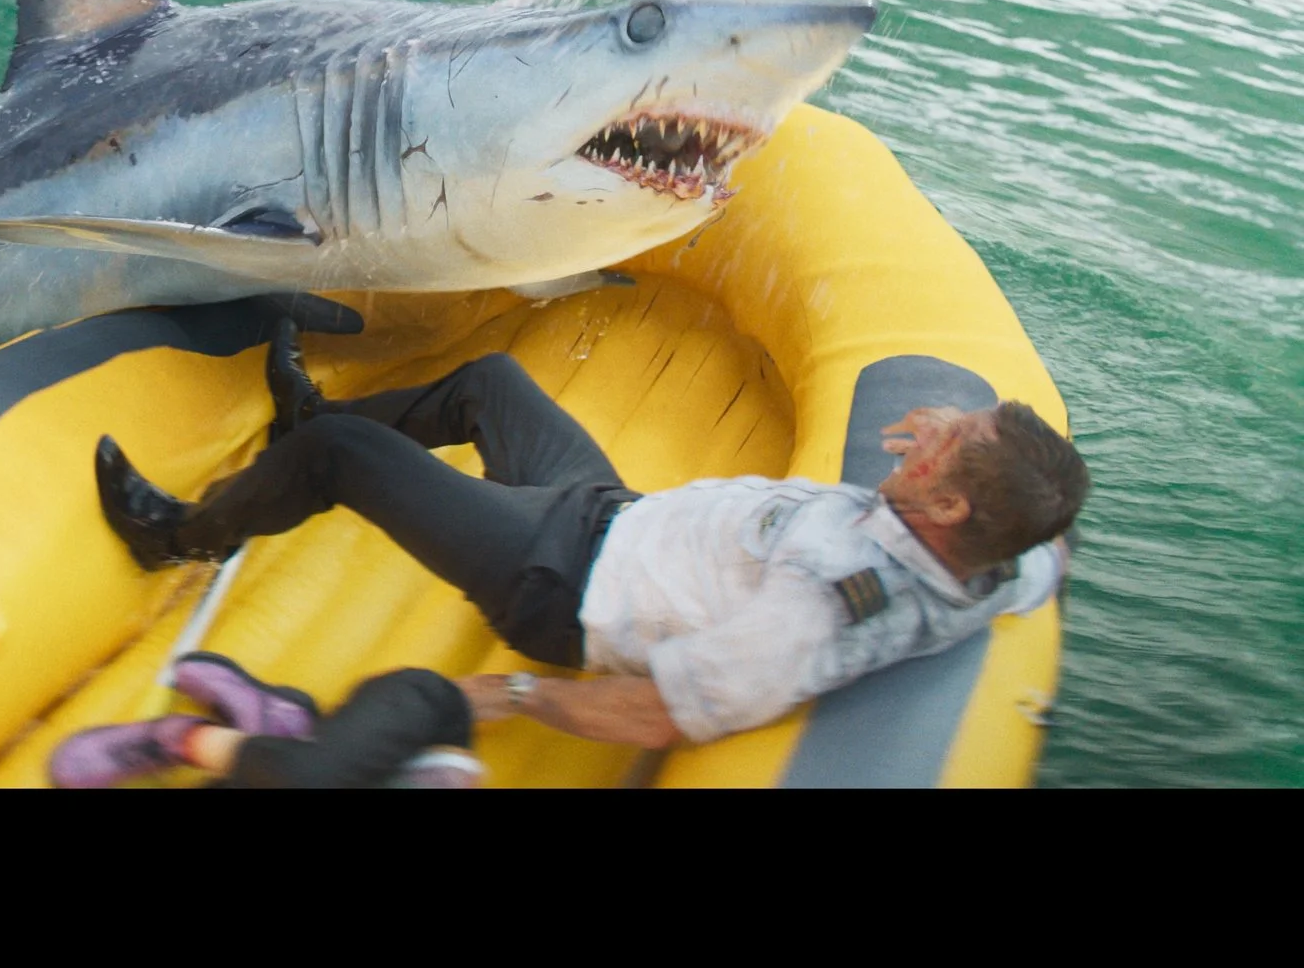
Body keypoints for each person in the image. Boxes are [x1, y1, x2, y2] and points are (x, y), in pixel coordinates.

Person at [67, 319, 1084, 770]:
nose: (930, 429)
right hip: (617, 514)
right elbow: (1048, 541)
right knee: (491, 383)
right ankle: (301, 430)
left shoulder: (825, 602)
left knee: (346, 458)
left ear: (948, 507)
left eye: (949, 441)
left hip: (562, 579)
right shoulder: (1006, 559)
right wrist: (960, 446)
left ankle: (176, 537)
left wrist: (508, 694)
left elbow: (664, 711)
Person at [50, 652, 484, 789]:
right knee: (308, 777)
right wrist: (516, 691)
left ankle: (282, 726)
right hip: (426, 728)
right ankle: (180, 738)